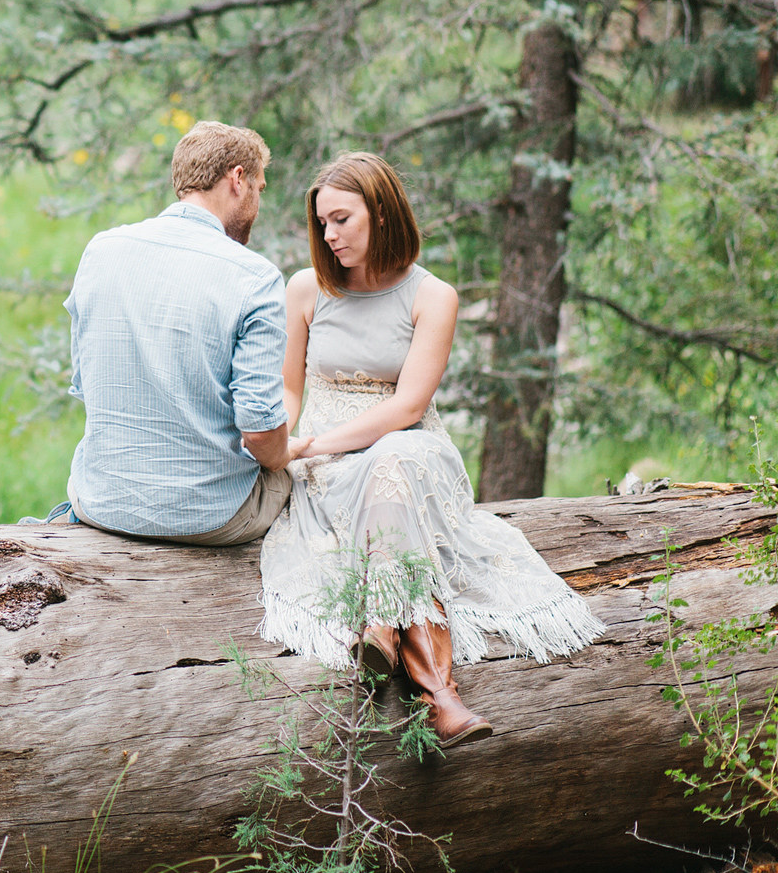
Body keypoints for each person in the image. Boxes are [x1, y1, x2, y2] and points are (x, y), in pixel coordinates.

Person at [257, 151, 605, 747]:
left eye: (341, 219)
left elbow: (407, 409)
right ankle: (437, 693)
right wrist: (289, 443)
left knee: (398, 460)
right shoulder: (306, 290)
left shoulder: (432, 295)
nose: (329, 235)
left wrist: (314, 441)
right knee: (389, 477)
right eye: (322, 224)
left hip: (412, 450)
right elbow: (291, 386)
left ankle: (381, 622)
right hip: (329, 464)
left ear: (384, 213)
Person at [32, 121, 315, 545]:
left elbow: (87, 382)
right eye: (259, 188)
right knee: (305, 482)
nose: (257, 204)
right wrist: (285, 453)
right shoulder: (255, 277)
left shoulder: (101, 250)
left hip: (102, 502)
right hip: (209, 517)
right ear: (238, 179)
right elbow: (259, 433)